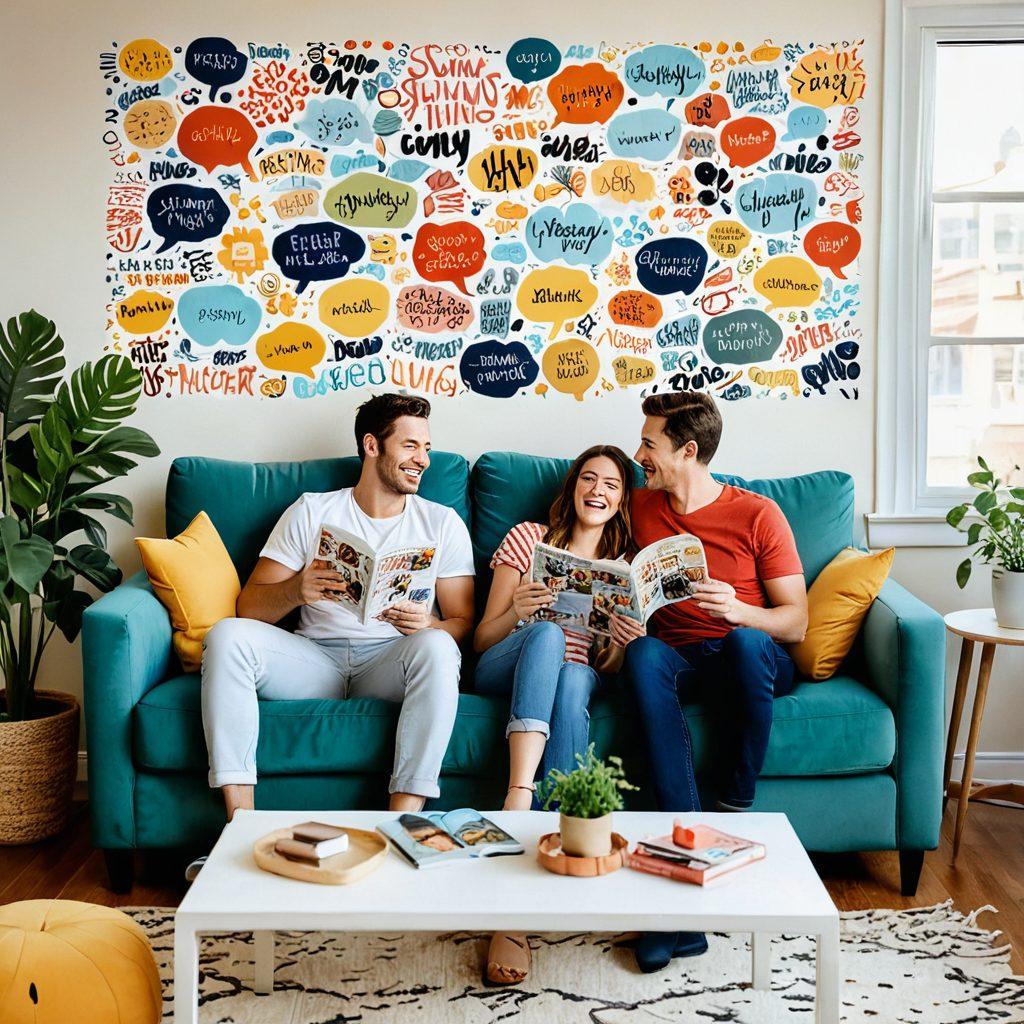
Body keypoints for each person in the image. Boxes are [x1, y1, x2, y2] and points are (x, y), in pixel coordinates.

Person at [199, 392, 475, 826]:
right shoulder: (313, 510)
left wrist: (431, 624)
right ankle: (240, 823)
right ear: (372, 445)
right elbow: (247, 607)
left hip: (389, 661)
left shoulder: (441, 523)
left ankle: (399, 825)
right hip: (314, 659)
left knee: (439, 647)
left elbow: (463, 623)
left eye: (426, 447)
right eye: (410, 446)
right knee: (225, 636)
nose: (423, 459)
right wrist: (297, 590)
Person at [611, 391, 808, 972]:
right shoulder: (642, 507)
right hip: (679, 657)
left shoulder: (757, 514)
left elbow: (795, 623)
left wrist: (740, 611)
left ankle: (734, 801)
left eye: (650, 443)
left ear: (688, 450)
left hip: (745, 653)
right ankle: (682, 892)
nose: (639, 453)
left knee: (748, 641)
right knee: (645, 653)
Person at [473, 444, 637, 985]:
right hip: (510, 658)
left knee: (571, 681)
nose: (598, 490)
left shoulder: (623, 567)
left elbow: (606, 669)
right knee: (544, 633)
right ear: (571, 488)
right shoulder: (527, 536)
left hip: (576, 673)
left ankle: (530, 894)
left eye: (611, 485)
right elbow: (481, 638)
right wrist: (519, 610)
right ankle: (521, 793)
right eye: (588, 479)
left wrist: (617, 644)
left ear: (621, 501)